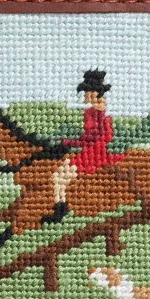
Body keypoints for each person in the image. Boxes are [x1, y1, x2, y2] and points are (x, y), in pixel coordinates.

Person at [45, 70, 125, 223]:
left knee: (59, 177)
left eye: (86, 92)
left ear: (93, 93)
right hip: (89, 150)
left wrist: (70, 143)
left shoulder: (97, 113)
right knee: (60, 172)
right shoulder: (91, 112)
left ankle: (60, 209)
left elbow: (96, 136)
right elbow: (90, 136)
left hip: (93, 153)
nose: (84, 96)